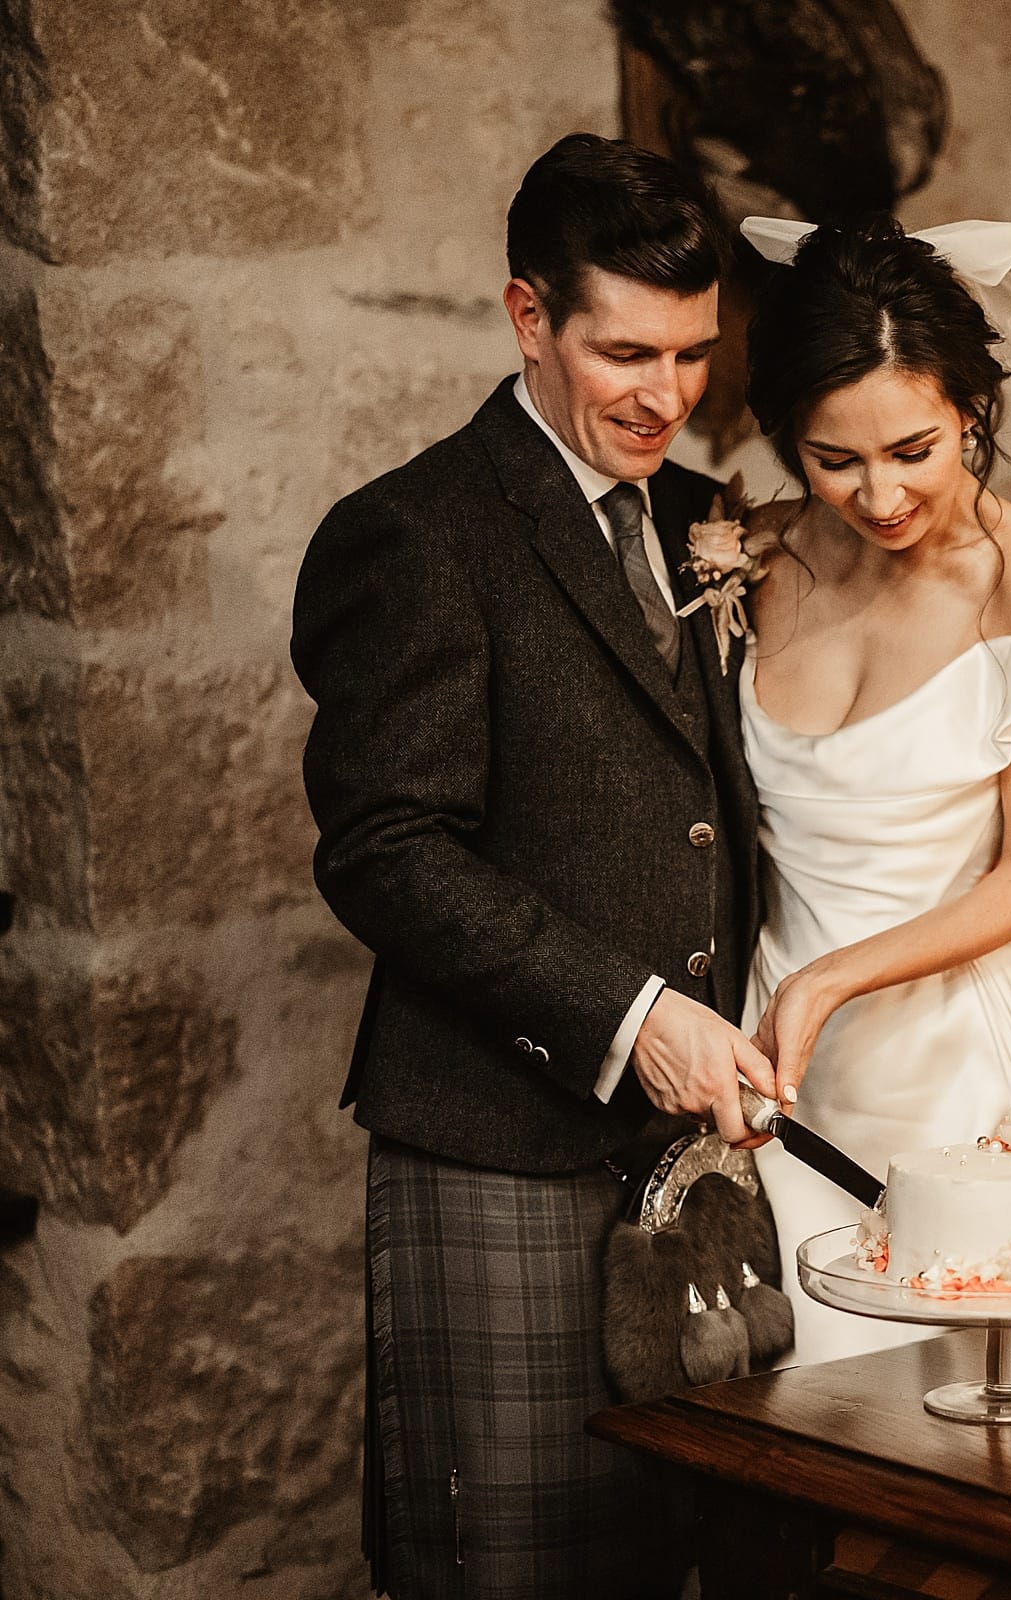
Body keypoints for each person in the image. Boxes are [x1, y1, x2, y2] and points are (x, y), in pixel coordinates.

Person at [292, 134, 771, 1598]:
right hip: (499, 1143)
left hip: (705, 1163)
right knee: (516, 1569)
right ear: (527, 319)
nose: (665, 395)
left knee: (698, 1554)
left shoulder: (708, 521)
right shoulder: (416, 533)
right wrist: (630, 1013)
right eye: (624, 351)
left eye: (691, 355)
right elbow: (384, 848)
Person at [735, 217, 1011, 1362]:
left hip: (957, 1075)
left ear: (970, 408)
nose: (880, 494)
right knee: (805, 1410)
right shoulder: (755, 554)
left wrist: (829, 980)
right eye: (833, 458)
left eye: (914, 448)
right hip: (780, 1080)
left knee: (977, 1422)